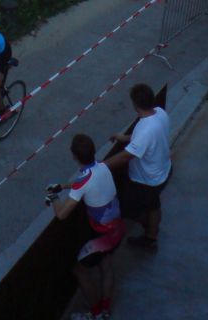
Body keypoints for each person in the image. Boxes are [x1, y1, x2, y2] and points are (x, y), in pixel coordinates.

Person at [46, 134, 123, 320]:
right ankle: (105, 310)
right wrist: (64, 186)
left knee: (79, 271)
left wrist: (53, 197)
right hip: (117, 228)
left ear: (74, 156)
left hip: (101, 235)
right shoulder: (103, 167)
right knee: (107, 266)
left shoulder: (82, 182)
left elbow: (62, 214)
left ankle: (95, 314)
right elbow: (85, 180)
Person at [105, 83, 172, 251]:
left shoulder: (146, 129)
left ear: (135, 104)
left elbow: (127, 155)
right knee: (154, 205)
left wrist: (101, 166)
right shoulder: (160, 113)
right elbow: (140, 140)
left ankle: (150, 232)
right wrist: (123, 137)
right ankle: (152, 233)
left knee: (127, 208)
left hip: (147, 181)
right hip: (162, 170)